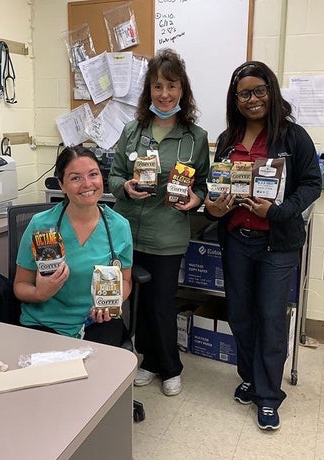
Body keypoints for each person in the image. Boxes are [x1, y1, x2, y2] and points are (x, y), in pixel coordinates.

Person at [204, 61, 321, 430]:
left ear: (271, 91)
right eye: (244, 93)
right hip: (238, 240)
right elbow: (216, 186)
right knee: (239, 314)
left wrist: (281, 210)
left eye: (259, 91)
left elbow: (312, 183)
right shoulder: (228, 139)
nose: (252, 99)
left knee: (271, 319)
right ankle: (250, 377)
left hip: (277, 245)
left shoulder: (293, 137)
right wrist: (215, 205)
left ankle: (269, 396)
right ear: (234, 99)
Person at [108, 48, 210, 396]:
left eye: (171, 85)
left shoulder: (195, 137)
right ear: (148, 91)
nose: (164, 94)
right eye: (157, 86)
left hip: (167, 233)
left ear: (183, 89)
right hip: (130, 233)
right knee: (136, 301)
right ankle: (148, 361)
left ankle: (169, 366)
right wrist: (125, 187)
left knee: (162, 304)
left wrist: (195, 199)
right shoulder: (132, 131)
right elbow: (114, 174)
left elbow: (203, 184)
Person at [13, 146, 133, 346]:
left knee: (102, 373)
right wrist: (40, 293)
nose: (87, 184)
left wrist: (112, 304)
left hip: (96, 321)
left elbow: (126, 282)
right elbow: (20, 285)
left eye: (93, 174)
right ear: (62, 184)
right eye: (75, 178)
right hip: (45, 322)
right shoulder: (41, 225)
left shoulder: (119, 226)